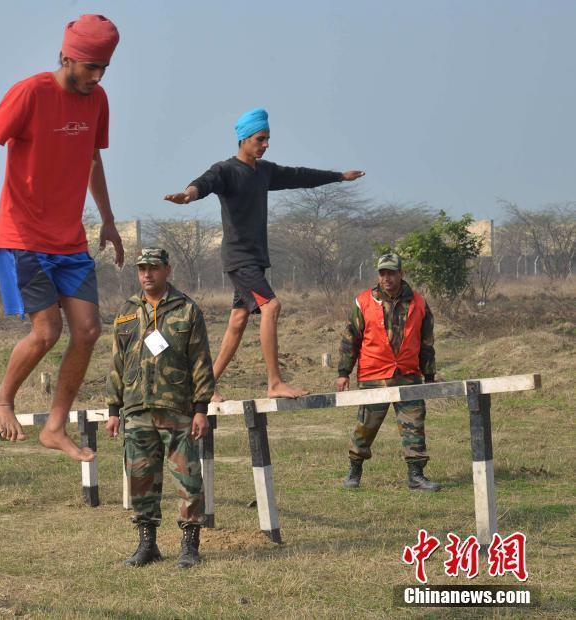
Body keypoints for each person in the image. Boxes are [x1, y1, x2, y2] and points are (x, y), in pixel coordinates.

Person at [0, 14, 124, 462]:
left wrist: (107, 219)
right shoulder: (30, 92)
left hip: (69, 242)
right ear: (67, 56)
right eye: (90, 67)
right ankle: (1, 399)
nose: (97, 76)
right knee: (47, 330)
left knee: (87, 330)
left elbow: (93, 161)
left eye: (104, 67)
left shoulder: (97, 99)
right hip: (23, 236)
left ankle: (54, 425)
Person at [164, 107, 365, 400]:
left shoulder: (265, 172)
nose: (266, 144)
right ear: (244, 139)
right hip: (239, 257)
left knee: (238, 320)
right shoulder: (226, 170)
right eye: (261, 139)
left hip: (254, 259)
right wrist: (188, 194)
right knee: (271, 307)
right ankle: (274, 383)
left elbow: (300, 176)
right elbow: (203, 183)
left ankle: (205, 386)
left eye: (268, 138)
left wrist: (338, 177)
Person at [106, 248, 215, 569]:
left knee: (187, 477)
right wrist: (114, 409)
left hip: (177, 408)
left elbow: (200, 360)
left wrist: (200, 408)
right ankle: (147, 544)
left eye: (153, 267)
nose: (147, 274)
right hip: (136, 409)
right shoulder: (126, 312)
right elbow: (116, 363)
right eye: (141, 268)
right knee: (140, 478)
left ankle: (190, 545)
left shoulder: (186, 310)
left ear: (167, 269)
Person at [336, 253, 441, 491]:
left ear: (401, 274)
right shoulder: (363, 302)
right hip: (374, 374)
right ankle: (354, 471)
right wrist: (344, 372)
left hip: (408, 374)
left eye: (392, 273)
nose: (387, 278)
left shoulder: (419, 302)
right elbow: (350, 339)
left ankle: (416, 476)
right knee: (366, 426)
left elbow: (427, 343)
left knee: (414, 425)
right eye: (383, 273)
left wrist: (430, 376)